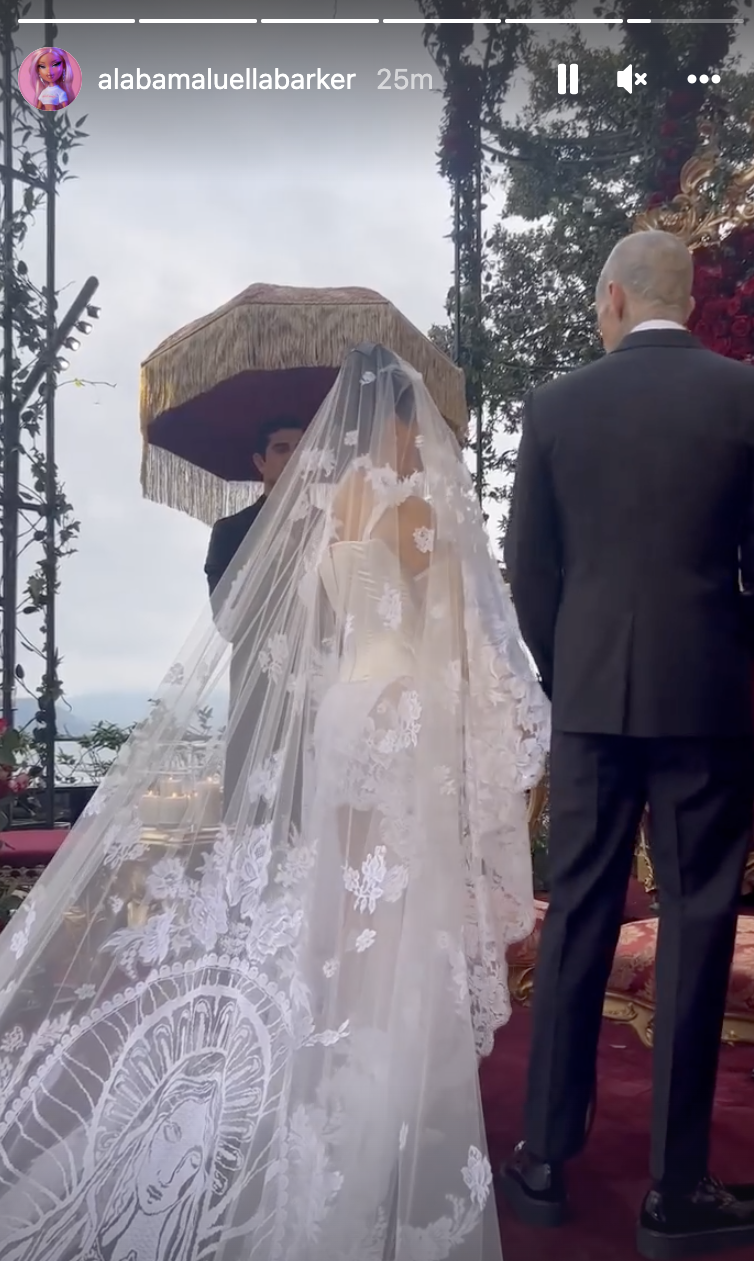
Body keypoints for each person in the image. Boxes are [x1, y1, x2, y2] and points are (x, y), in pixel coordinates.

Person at [0, 343, 548, 1260]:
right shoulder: (438, 513)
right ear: (410, 421)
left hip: (344, 709)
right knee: (396, 908)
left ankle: (327, 1073)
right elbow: (471, 650)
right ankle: (381, 1092)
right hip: (403, 710)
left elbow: (309, 633)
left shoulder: (328, 508)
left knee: (336, 901)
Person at [501, 229, 754, 1259]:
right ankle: (677, 1190)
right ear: (686, 298)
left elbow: (530, 572)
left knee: (577, 920)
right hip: (709, 698)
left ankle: (543, 1163)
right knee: (696, 924)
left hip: (592, 698)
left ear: (610, 299)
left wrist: (574, 677)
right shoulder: (743, 396)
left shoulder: (557, 408)